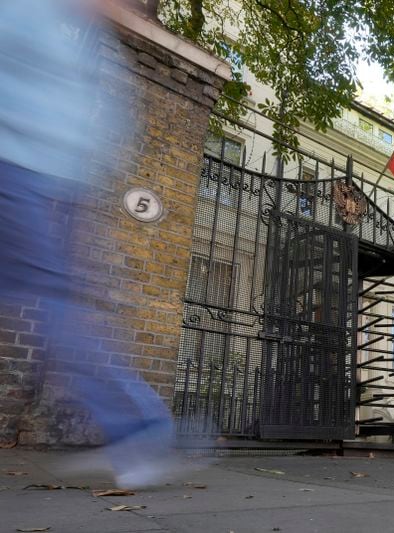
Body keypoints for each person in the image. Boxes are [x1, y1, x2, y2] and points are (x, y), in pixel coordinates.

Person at [0, 0, 177, 488]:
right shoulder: (79, 41)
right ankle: (138, 425)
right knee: (56, 306)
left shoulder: (38, 17)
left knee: (55, 308)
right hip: (49, 176)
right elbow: (110, 125)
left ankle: (138, 425)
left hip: (17, 169)